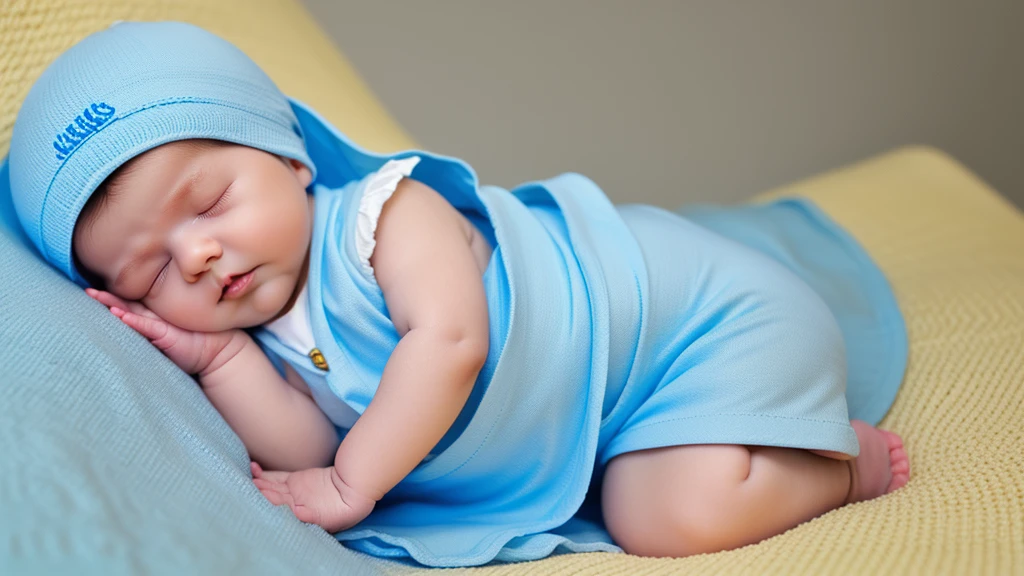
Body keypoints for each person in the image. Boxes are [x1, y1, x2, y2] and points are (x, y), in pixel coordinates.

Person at [6, 21, 909, 567]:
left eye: (208, 203)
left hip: (697, 328)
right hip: (611, 410)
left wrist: (350, 486)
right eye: (153, 274)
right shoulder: (262, 327)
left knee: (667, 518)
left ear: (288, 156)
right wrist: (222, 358)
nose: (198, 257)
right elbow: (313, 439)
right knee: (652, 495)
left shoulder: (387, 215)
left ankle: (840, 462)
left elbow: (448, 345)